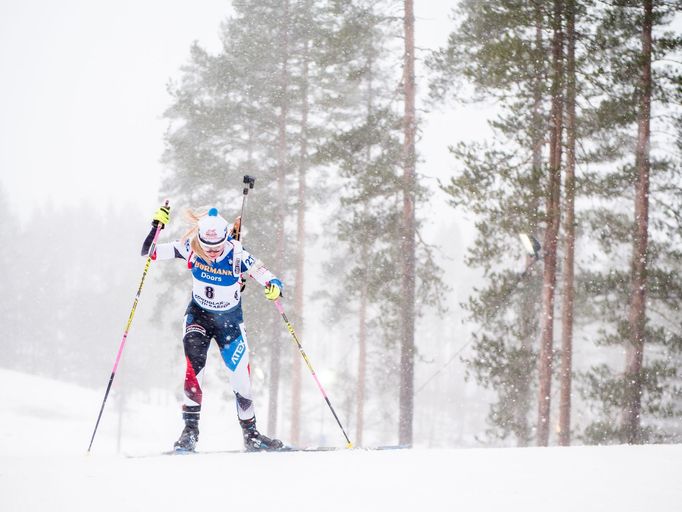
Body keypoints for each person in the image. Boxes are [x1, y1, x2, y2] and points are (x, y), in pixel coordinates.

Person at [142, 204, 285, 452]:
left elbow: (268, 277)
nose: (212, 252)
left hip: (228, 322)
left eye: (217, 247)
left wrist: (273, 286)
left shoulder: (237, 254)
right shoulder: (190, 247)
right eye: (207, 248)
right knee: (193, 366)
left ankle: (251, 435)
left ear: (225, 238)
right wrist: (156, 226)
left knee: (241, 376)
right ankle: (189, 432)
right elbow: (149, 252)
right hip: (199, 316)